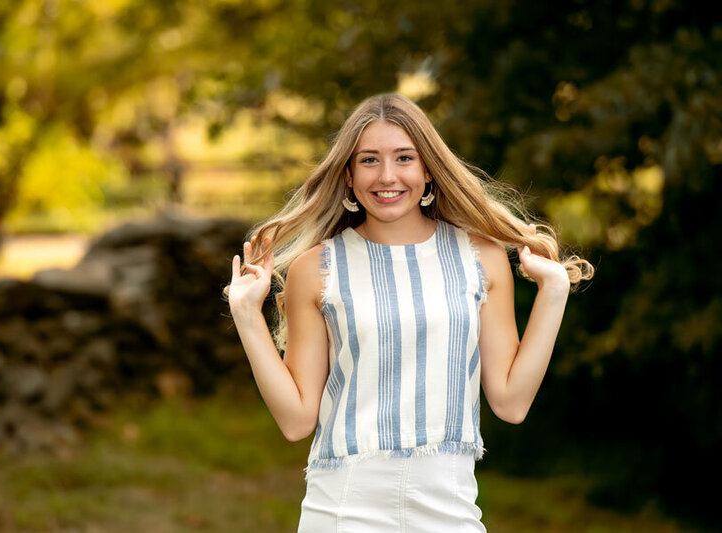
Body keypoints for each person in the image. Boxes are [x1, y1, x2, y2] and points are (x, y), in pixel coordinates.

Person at [224, 92, 594, 531]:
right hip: (344, 507)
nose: (387, 176)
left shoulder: (481, 257)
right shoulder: (317, 267)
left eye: (404, 158)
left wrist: (554, 291)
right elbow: (295, 421)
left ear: (428, 170)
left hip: (449, 507)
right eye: (368, 160)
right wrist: (247, 315)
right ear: (347, 174)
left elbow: (511, 403)